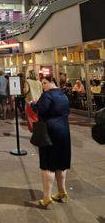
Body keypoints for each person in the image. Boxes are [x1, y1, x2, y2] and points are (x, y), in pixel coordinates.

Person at [36, 78, 71, 208]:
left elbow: (41, 111)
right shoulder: (63, 95)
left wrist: (34, 105)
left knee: (48, 165)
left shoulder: (47, 95)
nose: (43, 85)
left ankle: (46, 197)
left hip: (50, 131)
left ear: (52, 83)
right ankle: (62, 191)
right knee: (61, 163)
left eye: (45, 83)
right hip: (64, 129)